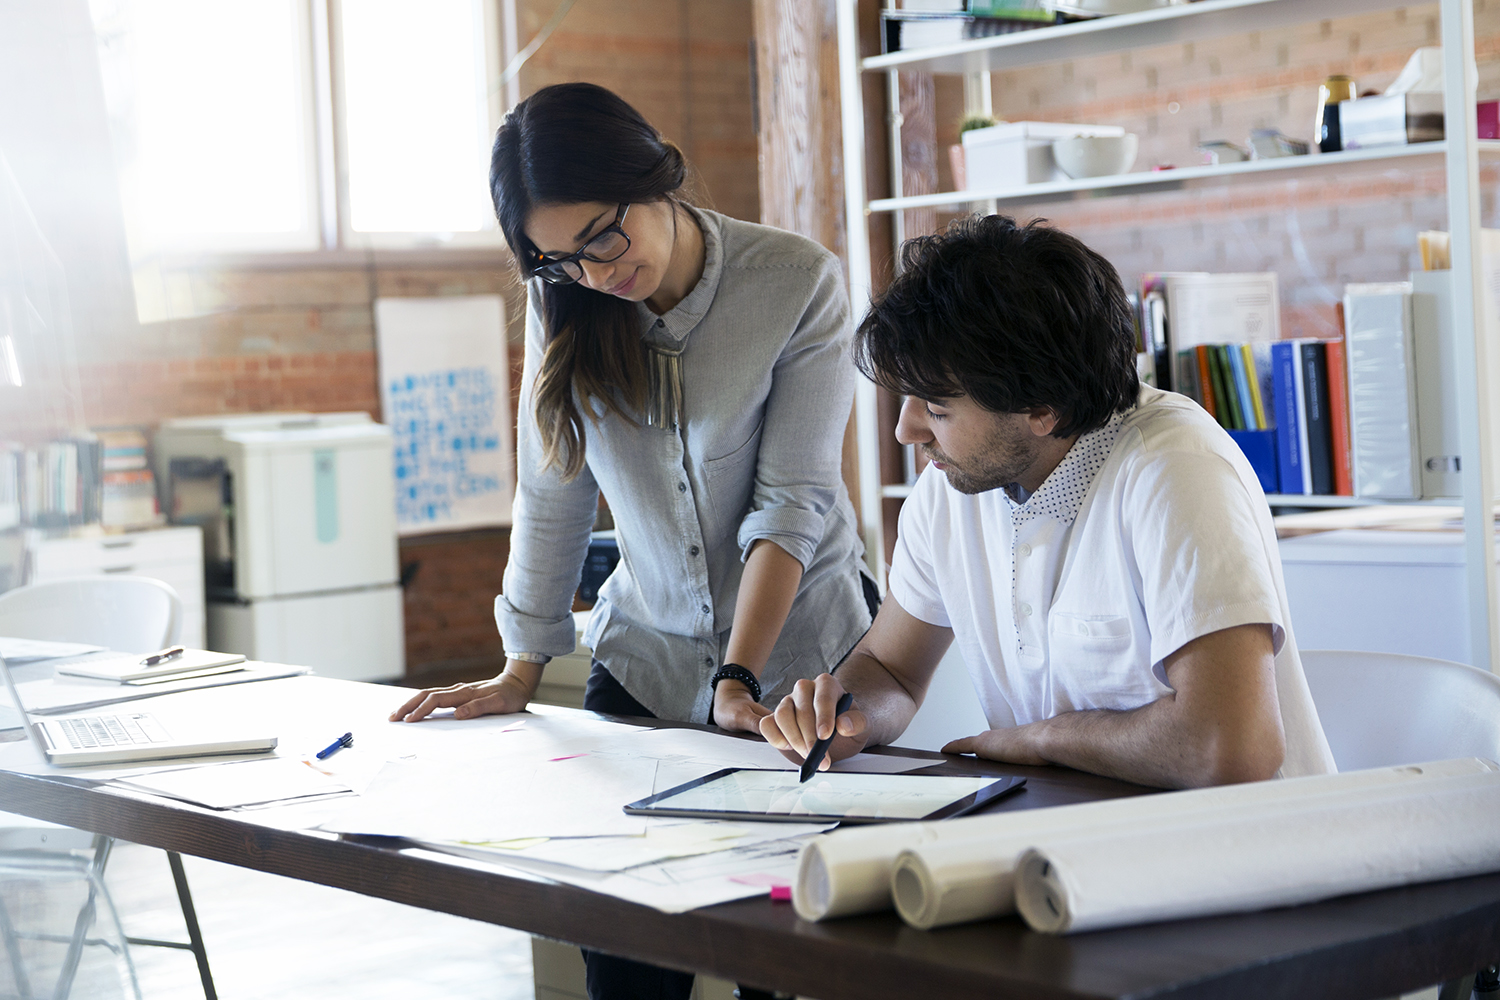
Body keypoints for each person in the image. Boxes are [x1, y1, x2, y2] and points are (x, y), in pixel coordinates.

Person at [390, 81, 873, 1000]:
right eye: (559, 258)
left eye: (604, 237)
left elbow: (792, 505)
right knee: (625, 962)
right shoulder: (565, 299)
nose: (595, 271)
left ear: (652, 174)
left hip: (800, 674)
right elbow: (553, 482)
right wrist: (521, 667)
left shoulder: (797, 281)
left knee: (781, 954)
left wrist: (739, 678)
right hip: (643, 662)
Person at [762, 214, 1336, 790]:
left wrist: (1041, 738)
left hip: (1241, 854)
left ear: (1043, 409)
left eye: (937, 409)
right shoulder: (954, 484)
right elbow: (890, 668)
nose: (906, 431)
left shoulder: (1174, 469)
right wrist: (848, 714)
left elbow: (1231, 749)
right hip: (1066, 840)